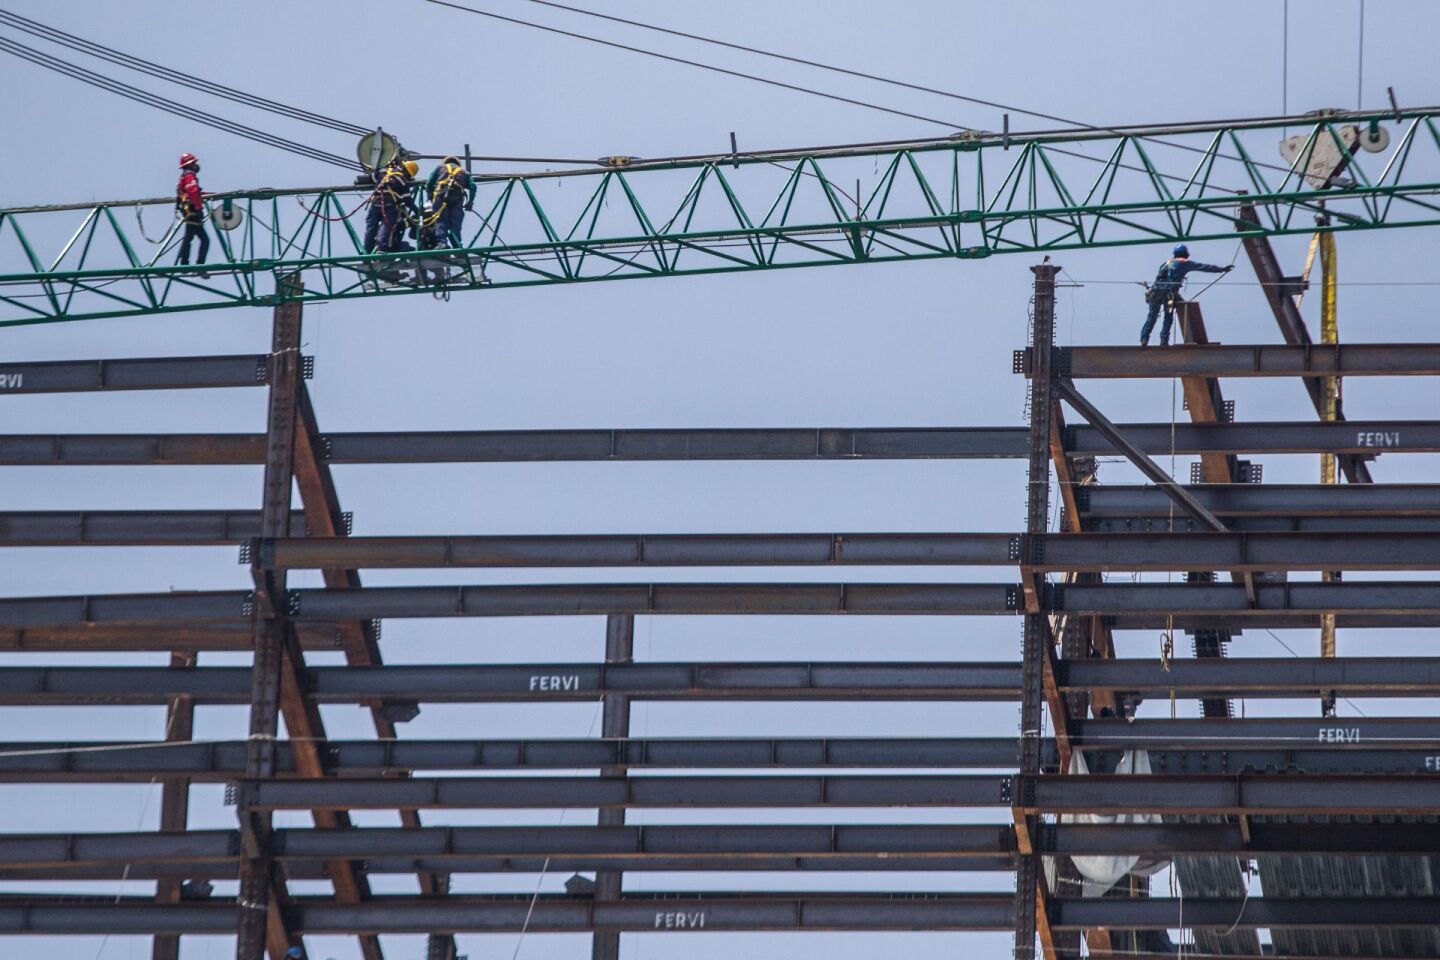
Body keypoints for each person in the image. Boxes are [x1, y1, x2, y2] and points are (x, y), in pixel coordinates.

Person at [1139, 244, 1233, 346]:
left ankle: (1144, 339)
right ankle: (1164, 341)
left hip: (1155, 293)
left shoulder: (1166, 263)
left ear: (1175, 254)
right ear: (1186, 255)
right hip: (1169, 295)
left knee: (1152, 316)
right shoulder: (1185, 263)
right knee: (1168, 316)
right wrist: (1222, 269)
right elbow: (1204, 267)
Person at [363, 158, 419, 255]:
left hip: (375, 202)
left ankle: (366, 251)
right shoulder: (402, 179)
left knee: (371, 227)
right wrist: (416, 210)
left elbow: (372, 178)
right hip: (389, 205)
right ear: (407, 172)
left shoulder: (383, 172)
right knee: (387, 225)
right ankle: (381, 248)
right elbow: (407, 200)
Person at [424, 156, 476, 249]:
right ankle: (457, 246)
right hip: (457, 199)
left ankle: (442, 243)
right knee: (455, 224)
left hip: (440, 197)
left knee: (440, 221)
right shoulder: (464, 172)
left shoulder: (440, 168)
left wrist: (430, 196)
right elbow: (473, 186)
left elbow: (428, 184)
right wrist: (470, 202)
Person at [175, 152, 209, 271]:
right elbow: (193, 191)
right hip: (192, 210)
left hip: (188, 209)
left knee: (197, 238)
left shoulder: (184, 177)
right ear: (190, 164)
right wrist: (199, 207)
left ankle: (188, 263)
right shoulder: (190, 176)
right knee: (197, 238)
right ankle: (191, 264)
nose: (196, 165)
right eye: (194, 163)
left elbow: (187, 192)